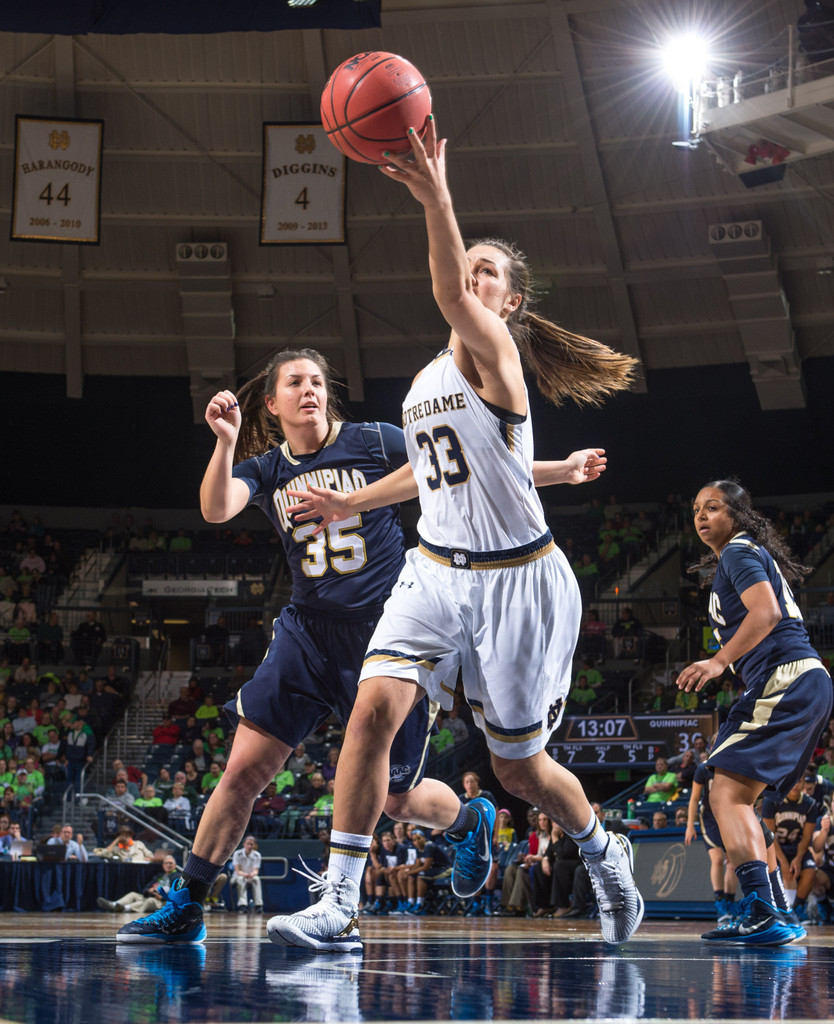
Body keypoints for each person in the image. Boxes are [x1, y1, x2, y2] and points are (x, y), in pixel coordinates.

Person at [270, 116, 642, 952]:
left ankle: (602, 849)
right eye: (466, 266)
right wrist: (352, 503)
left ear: (508, 305)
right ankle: (339, 902)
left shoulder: (497, 356)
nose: (469, 279)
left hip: (520, 582)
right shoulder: (430, 378)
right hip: (436, 570)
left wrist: (437, 192)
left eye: (486, 274)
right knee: (370, 712)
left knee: (518, 770)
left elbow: (445, 293)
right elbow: (431, 474)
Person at [116, 340, 608, 944]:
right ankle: (187, 904)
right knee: (243, 770)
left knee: (397, 798)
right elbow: (216, 508)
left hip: (388, 629)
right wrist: (224, 442)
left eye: (317, 381)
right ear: (271, 404)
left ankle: (468, 819)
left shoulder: (374, 441)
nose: (310, 390)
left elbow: (473, 466)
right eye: (294, 383)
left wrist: (559, 470)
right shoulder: (270, 468)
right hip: (306, 632)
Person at [676, 479, 833, 944]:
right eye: (696, 509)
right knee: (738, 796)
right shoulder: (742, 554)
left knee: (724, 791)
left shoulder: (738, 553)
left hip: (787, 676)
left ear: (738, 516)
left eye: (713, 508)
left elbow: (765, 613)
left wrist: (719, 661)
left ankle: (761, 909)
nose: (702, 516)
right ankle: (774, 910)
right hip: (800, 680)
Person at [97, 854, 181, 914]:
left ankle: (125, 908)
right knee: (133, 894)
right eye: (166, 863)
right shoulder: (159, 876)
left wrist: (162, 897)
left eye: (170, 863)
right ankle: (114, 904)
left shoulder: (177, 876)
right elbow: (145, 889)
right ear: (163, 865)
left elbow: (177, 892)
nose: (168, 865)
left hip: (164, 901)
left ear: (175, 865)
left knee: (149, 901)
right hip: (151, 896)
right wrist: (150, 891)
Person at [231, 835, 263, 912]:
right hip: (237, 877)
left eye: (251, 844)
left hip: (250, 877)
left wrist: (252, 874)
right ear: (244, 844)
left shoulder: (257, 855)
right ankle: (242, 905)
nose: (249, 846)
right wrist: (244, 874)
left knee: (256, 879)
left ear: (254, 845)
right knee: (241, 879)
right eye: (248, 844)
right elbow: (237, 871)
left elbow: (256, 871)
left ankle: (258, 905)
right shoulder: (237, 854)